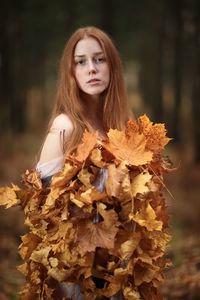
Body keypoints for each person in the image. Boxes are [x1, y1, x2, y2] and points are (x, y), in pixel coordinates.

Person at [36, 26, 132, 299]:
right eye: (81, 61)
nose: (91, 68)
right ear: (71, 71)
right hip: (77, 274)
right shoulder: (64, 128)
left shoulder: (120, 129)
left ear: (112, 66)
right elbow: (46, 217)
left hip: (116, 269)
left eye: (99, 59)